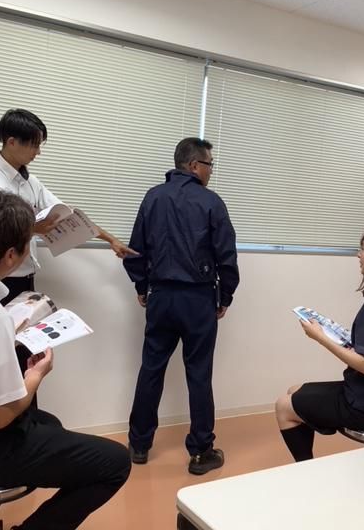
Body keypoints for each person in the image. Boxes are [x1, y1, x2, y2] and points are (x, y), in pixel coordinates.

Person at [0, 189, 131, 530]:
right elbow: (0, 417)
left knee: (49, 423)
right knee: (115, 463)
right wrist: (38, 374)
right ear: (12, 255)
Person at [123, 137, 239, 475]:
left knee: (151, 368)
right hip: (198, 300)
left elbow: (135, 249)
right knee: (199, 373)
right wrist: (225, 296)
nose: (211, 171)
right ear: (194, 165)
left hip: (161, 297)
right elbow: (227, 256)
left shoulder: (153, 197)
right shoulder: (211, 202)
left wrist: (142, 286)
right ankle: (201, 452)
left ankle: (139, 445)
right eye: (209, 165)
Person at [0, 108, 135, 306]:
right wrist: (32, 229)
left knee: (26, 327)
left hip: (25, 278)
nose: (38, 152)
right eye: (34, 145)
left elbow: (69, 215)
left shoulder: (31, 182)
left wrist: (111, 240)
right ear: (12, 142)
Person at [276, 226, 364, 462]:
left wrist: (320, 337)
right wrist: (349, 340)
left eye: (363, 250)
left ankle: (305, 469)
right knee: (294, 390)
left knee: (283, 406)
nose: (358, 255)